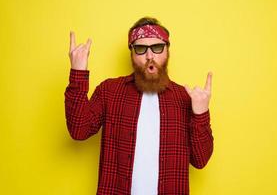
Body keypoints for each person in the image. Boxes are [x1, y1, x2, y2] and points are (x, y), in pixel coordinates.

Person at [64, 17, 214, 195]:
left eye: (157, 47)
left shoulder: (185, 98)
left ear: (167, 51)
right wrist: (78, 73)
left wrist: (200, 114)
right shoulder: (110, 91)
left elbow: (200, 160)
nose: (150, 56)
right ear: (132, 54)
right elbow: (79, 130)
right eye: (141, 49)